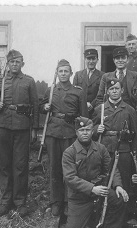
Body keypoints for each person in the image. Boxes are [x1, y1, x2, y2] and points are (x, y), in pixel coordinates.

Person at [0, 49, 39, 217]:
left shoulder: (29, 82)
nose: (14, 64)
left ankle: (20, 201)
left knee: (21, 165)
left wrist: (35, 129)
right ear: (7, 64)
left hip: (22, 128)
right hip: (2, 128)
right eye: (12, 62)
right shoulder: (0, 82)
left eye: (18, 62)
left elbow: (36, 106)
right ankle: (5, 201)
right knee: (4, 165)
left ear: (22, 64)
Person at [63, 117, 129, 228]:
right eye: (81, 130)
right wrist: (92, 188)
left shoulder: (100, 148)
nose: (85, 133)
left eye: (88, 129)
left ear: (92, 131)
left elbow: (112, 168)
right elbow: (70, 178)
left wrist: (118, 186)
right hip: (79, 198)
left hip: (99, 193)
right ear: (76, 132)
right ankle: (90, 223)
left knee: (119, 197)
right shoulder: (69, 152)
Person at [39, 59, 88, 217]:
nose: (63, 74)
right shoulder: (51, 90)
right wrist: (44, 107)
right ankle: (56, 202)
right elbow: (41, 106)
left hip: (70, 134)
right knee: (54, 167)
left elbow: (83, 117)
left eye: (66, 71)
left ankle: (69, 201)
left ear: (71, 73)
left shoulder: (78, 91)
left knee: (70, 168)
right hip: (53, 133)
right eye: (60, 71)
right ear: (57, 73)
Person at [93, 77, 137, 221]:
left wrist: (135, 154)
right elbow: (89, 131)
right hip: (105, 149)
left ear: (122, 90)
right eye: (111, 89)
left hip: (124, 150)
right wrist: (96, 129)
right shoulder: (100, 109)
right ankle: (105, 219)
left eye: (117, 89)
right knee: (106, 183)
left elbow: (136, 134)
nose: (114, 91)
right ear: (107, 92)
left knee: (123, 184)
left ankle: (122, 222)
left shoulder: (129, 110)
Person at [73, 49, 105, 116]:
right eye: (88, 59)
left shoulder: (102, 75)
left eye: (93, 59)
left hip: (95, 110)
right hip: (80, 110)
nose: (91, 61)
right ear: (85, 59)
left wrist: (92, 104)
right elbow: (74, 93)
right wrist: (84, 104)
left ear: (97, 60)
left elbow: (102, 94)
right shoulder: (78, 75)